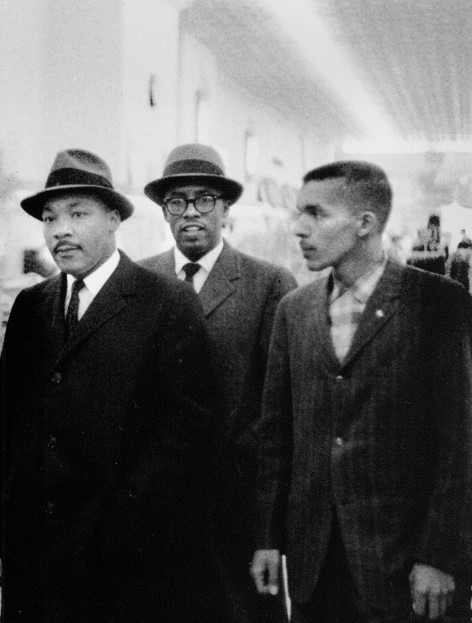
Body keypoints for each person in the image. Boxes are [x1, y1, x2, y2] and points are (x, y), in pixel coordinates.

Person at [0, 148, 226, 622]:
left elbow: (187, 436)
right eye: (49, 218)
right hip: (35, 556)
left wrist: (120, 519)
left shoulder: (164, 302)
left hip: (123, 558)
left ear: (113, 219)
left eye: (77, 213)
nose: (59, 230)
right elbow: (6, 424)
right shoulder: (31, 307)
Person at [251, 160, 472, 623]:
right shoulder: (294, 311)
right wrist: (268, 538)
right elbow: (275, 438)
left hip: (406, 563)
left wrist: (440, 554)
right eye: (298, 213)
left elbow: (460, 441)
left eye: (316, 213)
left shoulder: (438, 303)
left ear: (365, 223)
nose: (299, 228)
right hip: (316, 564)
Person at [141, 143, 296, 623]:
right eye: (177, 201)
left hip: (237, 509)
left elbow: (280, 408)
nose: (191, 212)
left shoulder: (268, 284)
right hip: (157, 506)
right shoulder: (138, 282)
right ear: (164, 212)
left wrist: (268, 528)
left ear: (226, 208)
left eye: (204, 199)